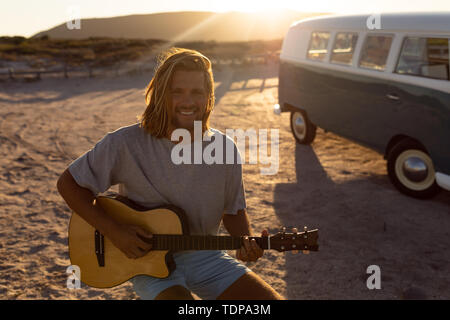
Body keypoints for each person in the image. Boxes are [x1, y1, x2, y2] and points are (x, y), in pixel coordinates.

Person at [57, 47, 283, 300]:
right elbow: (68, 184)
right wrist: (114, 231)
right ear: (161, 95)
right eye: (177, 92)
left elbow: (233, 210)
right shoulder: (125, 142)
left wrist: (246, 242)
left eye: (197, 92)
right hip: (148, 264)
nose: (188, 102)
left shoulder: (224, 148)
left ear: (208, 96)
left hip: (207, 257)